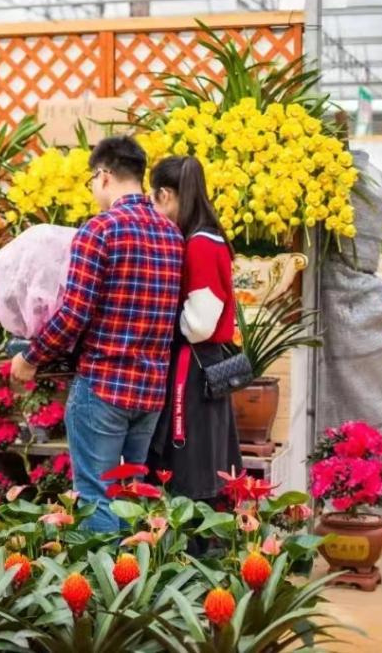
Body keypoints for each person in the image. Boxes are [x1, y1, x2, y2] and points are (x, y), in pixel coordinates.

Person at [10, 136, 184, 533]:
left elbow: (74, 313)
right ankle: (132, 572)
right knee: (130, 497)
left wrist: (31, 357)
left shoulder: (100, 230)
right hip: (150, 391)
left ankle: (101, 575)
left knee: (96, 498)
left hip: (104, 386)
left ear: (104, 175)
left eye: (92, 179)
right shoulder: (172, 235)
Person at [145, 155, 242, 503]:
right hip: (207, 366)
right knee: (208, 463)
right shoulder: (209, 237)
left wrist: (161, 319)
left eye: (153, 199)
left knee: (192, 469)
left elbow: (199, 323)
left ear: (165, 195)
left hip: (194, 369)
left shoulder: (200, 244)